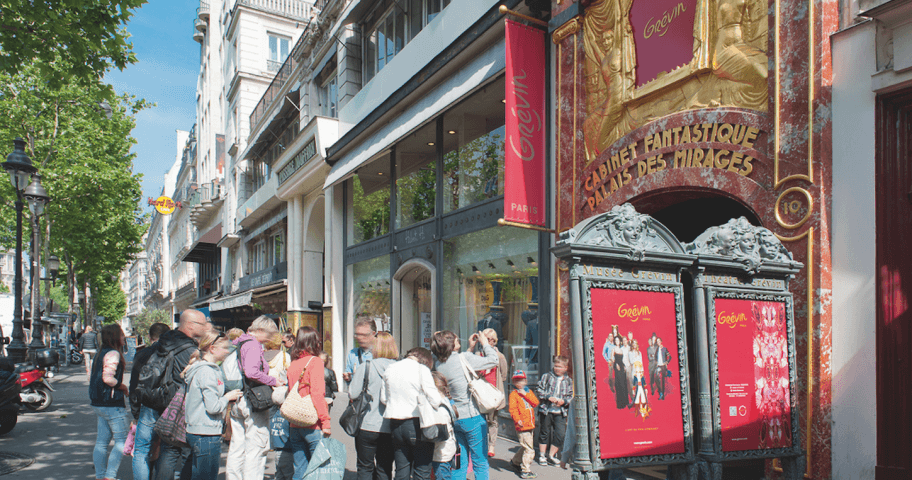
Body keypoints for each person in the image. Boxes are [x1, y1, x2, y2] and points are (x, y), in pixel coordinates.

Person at [149, 310, 212, 480]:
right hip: (182, 405)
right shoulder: (189, 348)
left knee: (169, 451)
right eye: (203, 323)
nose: (206, 326)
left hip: (165, 402)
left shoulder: (165, 341)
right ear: (190, 325)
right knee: (186, 452)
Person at [431, 330, 498, 480]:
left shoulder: (438, 362)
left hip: (454, 417)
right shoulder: (464, 358)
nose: (458, 339)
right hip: (472, 415)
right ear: (451, 344)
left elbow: (460, 366)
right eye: (455, 338)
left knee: (459, 462)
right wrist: (485, 343)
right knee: (480, 461)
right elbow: (493, 360)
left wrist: (470, 348)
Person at [227, 316, 286, 480]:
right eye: (269, 335)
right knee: (257, 446)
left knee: (237, 445)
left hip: (238, 398)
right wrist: (273, 380)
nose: (269, 339)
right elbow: (251, 372)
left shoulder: (239, 342)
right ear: (260, 330)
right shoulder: (253, 345)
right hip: (252, 400)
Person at [183, 331, 244, 480]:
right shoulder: (207, 371)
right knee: (206, 476)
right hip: (206, 433)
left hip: (198, 430)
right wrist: (227, 397)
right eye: (224, 347)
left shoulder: (200, 367)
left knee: (199, 475)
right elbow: (213, 407)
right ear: (212, 348)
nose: (227, 351)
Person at [381, 347, 443, 480]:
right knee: (422, 470)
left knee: (401, 469)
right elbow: (436, 400)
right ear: (425, 359)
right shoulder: (422, 370)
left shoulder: (390, 368)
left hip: (395, 424)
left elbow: (384, 399)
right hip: (417, 423)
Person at [350, 331, 398, 480]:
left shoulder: (366, 367)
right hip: (391, 426)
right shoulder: (398, 368)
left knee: (365, 467)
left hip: (367, 425)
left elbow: (352, 393)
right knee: (385, 468)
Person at [284, 326, 331, 479]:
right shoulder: (315, 362)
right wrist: (326, 422)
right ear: (314, 342)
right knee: (319, 470)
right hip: (312, 424)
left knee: (300, 469)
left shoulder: (293, 363)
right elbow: (317, 395)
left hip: (295, 423)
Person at [130, 322, 172, 480]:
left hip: (147, 406)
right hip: (168, 405)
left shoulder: (142, 354)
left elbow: (135, 385)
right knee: (167, 449)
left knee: (141, 449)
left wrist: (135, 412)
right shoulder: (173, 352)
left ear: (149, 336)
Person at [90, 324, 131, 480]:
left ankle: (101, 476)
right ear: (114, 337)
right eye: (121, 335)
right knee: (121, 441)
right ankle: (110, 476)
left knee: (101, 442)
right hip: (111, 403)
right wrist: (123, 386)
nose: (124, 338)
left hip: (99, 402)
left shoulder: (100, 352)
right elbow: (108, 378)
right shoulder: (113, 353)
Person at [535, 355, 573, 466]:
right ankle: (542, 455)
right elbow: (539, 389)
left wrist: (564, 401)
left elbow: (570, 396)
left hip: (560, 412)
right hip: (546, 410)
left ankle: (551, 455)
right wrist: (547, 397)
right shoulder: (547, 376)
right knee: (544, 432)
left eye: (560, 367)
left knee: (560, 434)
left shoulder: (568, 381)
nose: (557, 368)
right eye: (556, 366)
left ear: (565, 368)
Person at [477, 328, 507, 458]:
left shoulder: (500, 356)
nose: (489, 342)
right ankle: (481, 443)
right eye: (487, 339)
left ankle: (492, 445)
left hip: (494, 391)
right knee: (480, 419)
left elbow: (504, 375)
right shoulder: (478, 355)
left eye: (492, 340)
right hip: (481, 391)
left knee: (493, 420)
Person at [508, 370, 539, 479]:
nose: (519, 382)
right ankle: (525, 470)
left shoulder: (527, 391)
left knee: (525, 446)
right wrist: (517, 420)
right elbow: (512, 409)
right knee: (529, 449)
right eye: (516, 380)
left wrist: (526, 395)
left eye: (521, 380)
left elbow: (535, 402)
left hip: (530, 424)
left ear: (525, 381)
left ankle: (515, 462)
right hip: (522, 426)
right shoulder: (513, 395)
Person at [430, 372, 457, 480]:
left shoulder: (439, 408)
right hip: (447, 449)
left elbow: (437, 433)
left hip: (441, 454)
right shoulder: (446, 401)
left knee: (442, 476)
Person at [344, 318, 377, 384]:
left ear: (373, 334)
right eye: (357, 335)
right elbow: (349, 376)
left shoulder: (380, 353)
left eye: (363, 335)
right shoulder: (353, 353)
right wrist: (348, 378)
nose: (359, 338)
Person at [610, 336, 629, 409]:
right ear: (615, 341)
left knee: (624, 383)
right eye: (616, 340)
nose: (617, 341)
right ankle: (620, 404)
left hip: (622, 366)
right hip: (617, 367)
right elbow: (612, 358)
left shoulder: (621, 349)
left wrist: (624, 366)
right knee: (619, 384)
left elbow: (623, 359)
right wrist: (616, 364)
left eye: (618, 340)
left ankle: (625, 402)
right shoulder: (613, 349)